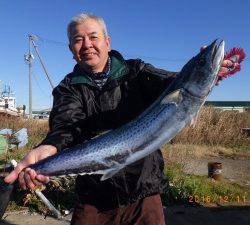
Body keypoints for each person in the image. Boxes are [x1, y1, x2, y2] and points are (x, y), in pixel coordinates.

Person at [5, 13, 234, 225]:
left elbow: (171, 83)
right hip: (94, 199)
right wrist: (50, 146)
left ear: (107, 41)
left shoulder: (136, 71)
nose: (87, 45)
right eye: (78, 39)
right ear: (70, 48)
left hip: (143, 193)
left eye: (93, 37)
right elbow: (66, 127)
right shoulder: (67, 89)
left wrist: (207, 71)